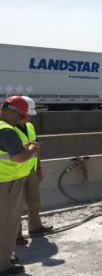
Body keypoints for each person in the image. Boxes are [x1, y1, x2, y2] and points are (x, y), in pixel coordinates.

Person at [0, 96, 40, 276]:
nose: (20, 119)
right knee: (8, 224)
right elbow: (19, 157)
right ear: (10, 111)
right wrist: (30, 151)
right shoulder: (7, 130)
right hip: (7, 182)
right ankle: (3, 264)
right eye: (19, 115)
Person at [15, 96, 53, 245]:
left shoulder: (29, 127)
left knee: (34, 202)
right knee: (15, 206)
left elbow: (36, 149)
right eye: (28, 114)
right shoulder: (7, 129)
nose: (30, 117)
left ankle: (35, 227)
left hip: (30, 170)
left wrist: (38, 168)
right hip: (15, 172)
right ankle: (15, 235)